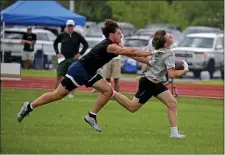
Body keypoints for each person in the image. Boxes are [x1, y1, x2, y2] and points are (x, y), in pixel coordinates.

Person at [17, 19, 152, 132]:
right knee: (57, 95)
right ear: (111, 35)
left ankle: (91, 116)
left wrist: (149, 61)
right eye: (119, 33)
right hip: (79, 70)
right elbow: (133, 51)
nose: (121, 36)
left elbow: (132, 54)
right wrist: (153, 53)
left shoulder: (116, 44)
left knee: (108, 91)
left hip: (90, 72)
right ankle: (29, 106)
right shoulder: (111, 46)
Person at [112, 30, 189, 138]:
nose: (171, 36)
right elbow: (171, 74)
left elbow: (137, 55)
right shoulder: (169, 53)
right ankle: (111, 92)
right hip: (148, 83)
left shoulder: (155, 46)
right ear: (165, 43)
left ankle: (174, 133)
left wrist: (121, 46)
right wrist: (184, 70)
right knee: (132, 108)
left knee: (172, 103)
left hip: (156, 83)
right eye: (169, 37)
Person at [53, 20, 89, 98]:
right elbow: (55, 43)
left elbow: (86, 45)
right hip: (63, 59)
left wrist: (80, 53)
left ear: (73, 26)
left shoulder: (77, 35)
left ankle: (71, 93)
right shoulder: (62, 35)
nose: (70, 27)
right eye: (68, 26)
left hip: (73, 59)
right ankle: (54, 93)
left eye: (71, 26)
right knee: (59, 75)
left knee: (73, 77)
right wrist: (57, 53)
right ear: (66, 26)